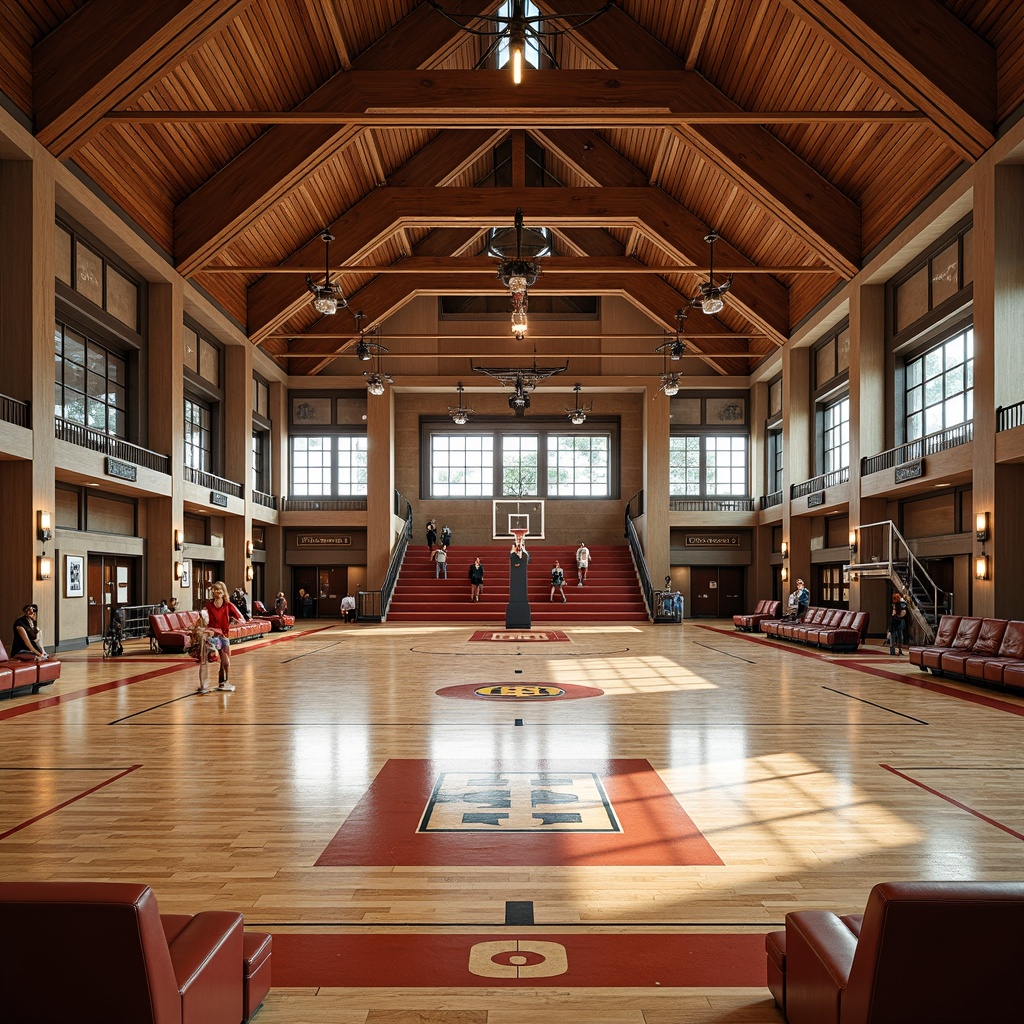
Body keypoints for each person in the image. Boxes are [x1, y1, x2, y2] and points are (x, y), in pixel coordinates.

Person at [199, 581, 244, 693]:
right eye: (214, 590)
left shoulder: (228, 605)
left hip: (223, 636)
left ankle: (223, 681)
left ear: (223, 592)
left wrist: (236, 621)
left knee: (226, 663)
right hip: (212, 635)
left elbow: (241, 617)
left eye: (219, 590)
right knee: (211, 653)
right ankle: (204, 684)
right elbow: (203, 619)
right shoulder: (208, 605)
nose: (217, 592)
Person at [889, 590, 909, 656]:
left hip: (895, 621)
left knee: (895, 636)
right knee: (899, 636)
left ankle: (894, 651)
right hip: (899, 621)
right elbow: (901, 613)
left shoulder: (898, 604)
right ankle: (898, 650)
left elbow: (895, 613)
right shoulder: (902, 604)